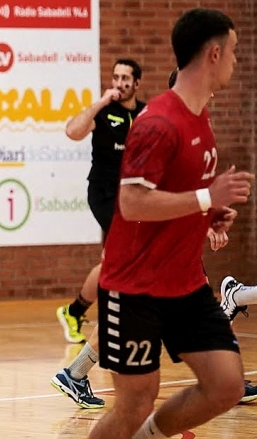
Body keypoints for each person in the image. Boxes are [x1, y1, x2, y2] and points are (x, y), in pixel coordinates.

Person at [89, 9, 255, 439]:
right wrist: (206, 197)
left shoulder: (199, 117)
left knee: (226, 384)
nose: (237, 60)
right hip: (134, 287)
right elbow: (132, 201)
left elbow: (177, 194)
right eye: (234, 51)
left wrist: (209, 214)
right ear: (213, 54)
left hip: (183, 284)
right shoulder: (160, 122)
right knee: (135, 403)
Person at [52, 67, 257, 410]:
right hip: (147, 243)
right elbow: (155, 194)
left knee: (172, 308)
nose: (214, 89)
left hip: (170, 242)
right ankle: (222, 378)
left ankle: (76, 372)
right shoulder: (163, 125)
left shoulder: (196, 125)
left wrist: (209, 218)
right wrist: (206, 209)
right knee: (160, 321)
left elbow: (184, 190)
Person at [57, 59, 146, 344]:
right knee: (125, 253)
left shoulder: (145, 113)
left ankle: (74, 311)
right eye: (115, 77)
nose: (119, 83)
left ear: (136, 83)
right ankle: (118, 319)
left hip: (133, 198)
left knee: (114, 260)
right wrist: (99, 102)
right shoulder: (105, 111)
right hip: (104, 194)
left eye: (125, 78)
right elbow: (73, 131)